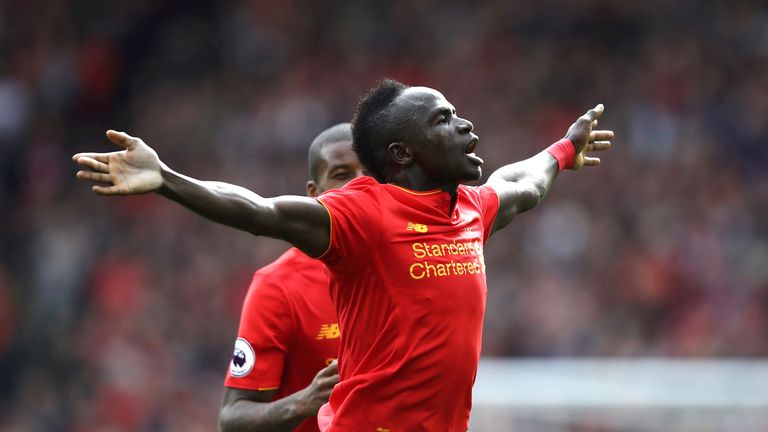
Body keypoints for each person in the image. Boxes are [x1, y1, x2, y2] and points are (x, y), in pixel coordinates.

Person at [73, 79, 613, 431]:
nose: (465, 125)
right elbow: (261, 211)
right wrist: (166, 179)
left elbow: (522, 182)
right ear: (403, 154)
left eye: (458, 114)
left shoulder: (471, 208)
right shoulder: (365, 215)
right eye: (443, 120)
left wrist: (563, 150)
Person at [218, 123, 363, 432]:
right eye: (342, 174)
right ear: (315, 194)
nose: (360, 185)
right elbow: (231, 419)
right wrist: (303, 403)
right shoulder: (278, 286)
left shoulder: (413, 262)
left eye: (372, 172)